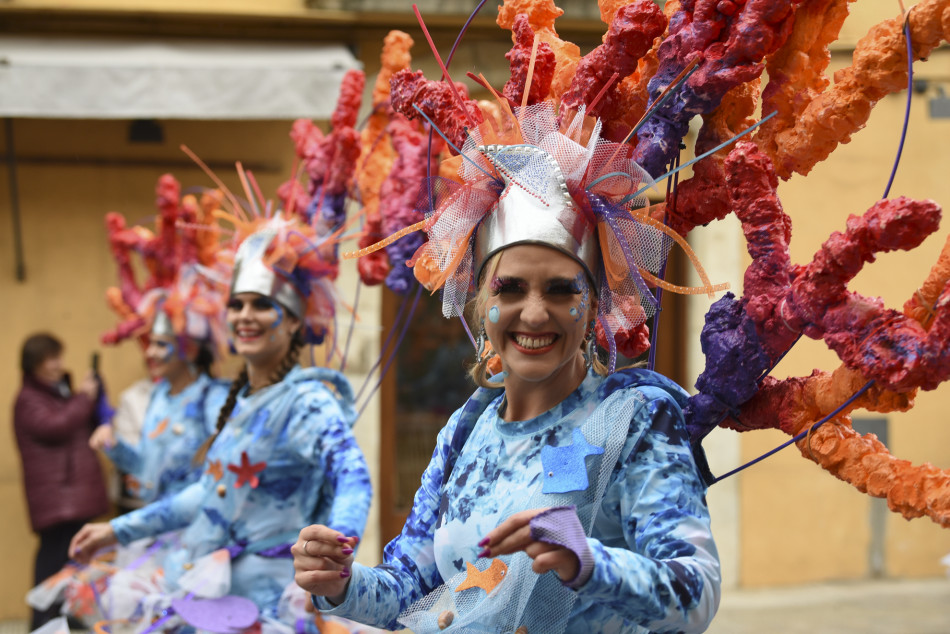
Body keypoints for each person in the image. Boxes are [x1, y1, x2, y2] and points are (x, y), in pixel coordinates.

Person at [293, 93, 721, 631]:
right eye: (511, 288)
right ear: (480, 302)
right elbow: (410, 589)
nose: (535, 314)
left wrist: (588, 561)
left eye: (562, 290)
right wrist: (340, 583)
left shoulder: (632, 420)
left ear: (595, 306)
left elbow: (696, 594)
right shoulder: (466, 429)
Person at [68, 216, 373, 622]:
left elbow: (354, 478)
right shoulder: (243, 401)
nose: (245, 315)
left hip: (271, 607)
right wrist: (118, 530)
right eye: (237, 304)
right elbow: (207, 493)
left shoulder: (306, 401)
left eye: (262, 305)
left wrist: (332, 563)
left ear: (295, 321)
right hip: (211, 592)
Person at [89, 295, 229, 505]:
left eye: (161, 345)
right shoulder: (159, 395)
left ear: (190, 350)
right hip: (157, 515)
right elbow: (145, 468)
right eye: (150, 343)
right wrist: (114, 445)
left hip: (197, 517)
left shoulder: (213, 398)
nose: (150, 352)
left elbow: (223, 473)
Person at [13, 333, 109, 630]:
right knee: (53, 558)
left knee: (74, 560)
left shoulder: (58, 393)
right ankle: (43, 621)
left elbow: (81, 423)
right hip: (57, 497)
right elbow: (56, 426)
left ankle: (66, 617)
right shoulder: (29, 399)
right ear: (35, 363)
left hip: (71, 494)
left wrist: (91, 397)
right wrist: (84, 397)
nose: (58, 364)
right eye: (52, 359)